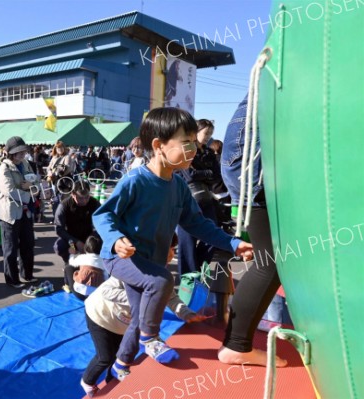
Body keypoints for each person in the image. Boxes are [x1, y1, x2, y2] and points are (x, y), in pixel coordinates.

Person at [92, 107, 253, 381]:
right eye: (186, 142)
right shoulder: (136, 180)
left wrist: (231, 242)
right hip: (121, 258)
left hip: (149, 263)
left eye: (195, 141)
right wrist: (116, 238)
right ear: (158, 146)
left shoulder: (178, 185)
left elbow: (197, 223)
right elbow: (104, 214)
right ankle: (151, 339)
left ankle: (120, 365)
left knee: (140, 315)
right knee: (161, 282)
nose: (194, 148)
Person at [81, 242, 207, 397]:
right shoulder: (131, 270)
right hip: (100, 316)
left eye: (172, 252)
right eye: (168, 251)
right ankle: (88, 382)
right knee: (105, 357)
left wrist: (187, 314)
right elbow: (106, 291)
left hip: (122, 324)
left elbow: (171, 299)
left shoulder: (163, 277)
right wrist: (141, 299)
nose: (170, 257)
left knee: (120, 354)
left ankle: (112, 382)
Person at [217, 95, 288, 367]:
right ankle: (236, 344)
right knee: (267, 264)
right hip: (253, 166)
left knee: (267, 262)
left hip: (247, 163)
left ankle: (237, 342)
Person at [0, 136, 38, 288]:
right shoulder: (4, 168)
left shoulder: (26, 163)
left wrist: (31, 187)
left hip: (26, 211)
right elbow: (8, 190)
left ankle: (27, 275)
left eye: (23, 151)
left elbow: (35, 182)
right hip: (9, 213)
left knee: (28, 245)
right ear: (10, 153)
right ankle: (12, 280)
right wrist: (29, 195)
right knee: (10, 248)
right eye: (18, 152)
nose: (22, 154)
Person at [176, 119, 221, 275]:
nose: (208, 136)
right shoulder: (187, 149)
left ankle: (198, 269)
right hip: (187, 199)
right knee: (186, 241)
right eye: (206, 132)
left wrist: (202, 173)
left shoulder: (209, 153)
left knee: (213, 235)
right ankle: (187, 279)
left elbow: (216, 175)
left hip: (206, 199)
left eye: (211, 133)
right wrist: (207, 173)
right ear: (196, 132)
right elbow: (189, 176)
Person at [53, 180, 100, 264]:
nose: (84, 201)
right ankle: (69, 262)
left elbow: (100, 225)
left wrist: (90, 242)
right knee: (60, 246)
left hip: (89, 237)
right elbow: (59, 229)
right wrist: (75, 242)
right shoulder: (64, 205)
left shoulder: (95, 203)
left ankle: (94, 264)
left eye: (87, 197)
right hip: (71, 239)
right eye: (80, 198)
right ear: (73, 194)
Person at [64, 234, 107, 301]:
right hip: (97, 295)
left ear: (86, 247)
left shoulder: (83, 258)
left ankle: (67, 285)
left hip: (79, 293)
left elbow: (71, 262)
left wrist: (72, 254)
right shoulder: (104, 261)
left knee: (68, 267)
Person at [46, 141, 76, 212]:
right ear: (55, 149)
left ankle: (63, 218)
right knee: (54, 201)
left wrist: (55, 173)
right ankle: (56, 217)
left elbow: (67, 168)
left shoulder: (67, 157)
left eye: (61, 147)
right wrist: (50, 172)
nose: (59, 149)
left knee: (63, 201)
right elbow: (48, 167)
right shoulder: (54, 157)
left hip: (64, 182)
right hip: (54, 182)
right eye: (58, 148)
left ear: (64, 148)